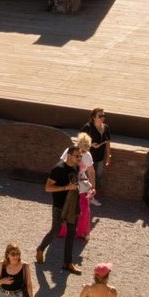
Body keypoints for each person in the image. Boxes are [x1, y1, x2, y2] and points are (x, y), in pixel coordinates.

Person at [37, 141, 84, 275]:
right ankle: (40, 249)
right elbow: (47, 188)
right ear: (69, 155)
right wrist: (66, 187)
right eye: (76, 156)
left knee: (71, 234)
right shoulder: (58, 169)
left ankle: (67, 263)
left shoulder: (76, 168)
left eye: (80, 156)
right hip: (59, 206)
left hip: (72, 205)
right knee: (55, 230)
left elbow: (75, 182)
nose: (79, 158)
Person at [58, 131, 95, 242]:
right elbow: (61, 166)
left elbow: (91, 171)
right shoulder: (69, 151)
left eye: (85, 151)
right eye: (82, 150)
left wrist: (93, 187)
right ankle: (63, 231)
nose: (83, 153)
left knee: (84, 209)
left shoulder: (87, 155)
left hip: (81, 183)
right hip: (69, 181)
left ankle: (81, 232)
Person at [83, 107, 112, 206]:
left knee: (97, 176)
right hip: (88, 157)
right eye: (100, 116)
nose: (102, 117)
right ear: (93, 117)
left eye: (104, 115)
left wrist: (108, 156)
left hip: (100, 158)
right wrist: (91, 145)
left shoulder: (106, 127)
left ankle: (91, 194)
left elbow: (107, 142)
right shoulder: (88, 127)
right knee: (89, 177)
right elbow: (80, 141)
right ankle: (90, 197)